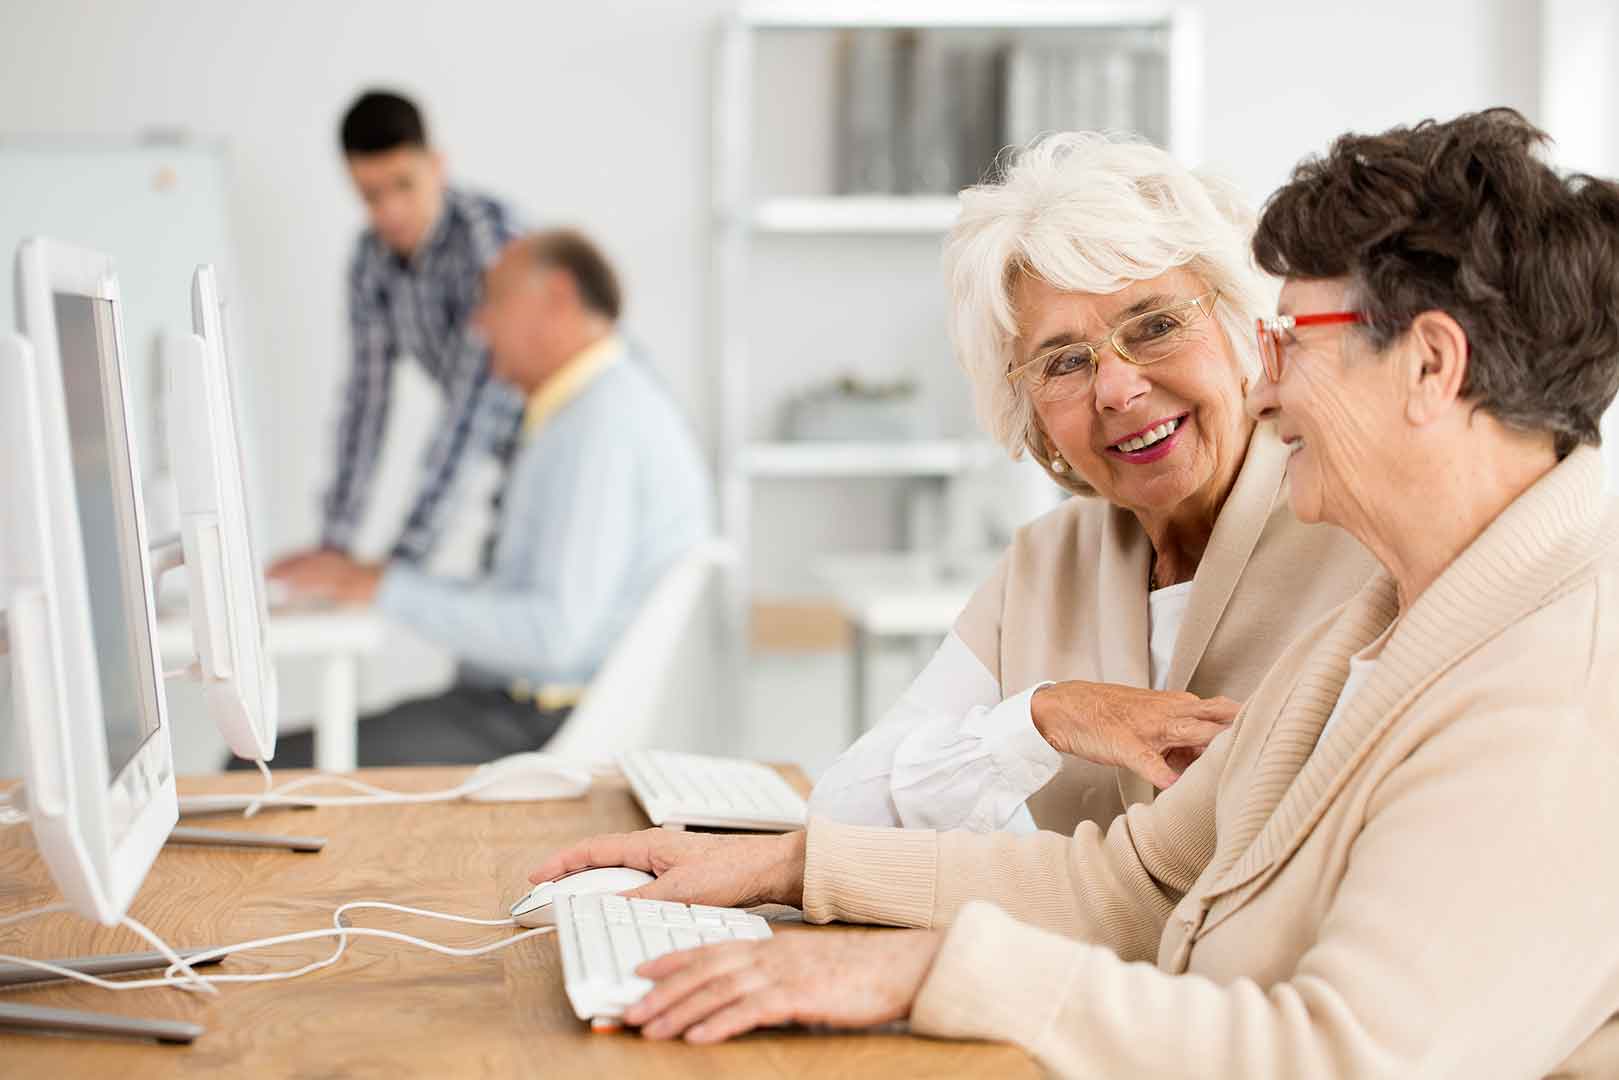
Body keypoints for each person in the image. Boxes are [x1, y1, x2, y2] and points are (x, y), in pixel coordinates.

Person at [531, 110, 1619, 1075]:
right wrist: (792, 869)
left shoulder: (1564, 687)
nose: (1266, 374)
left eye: (1293, 340)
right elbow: (1132, 884)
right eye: (1059, 361)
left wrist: (924, 980)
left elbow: (1336, 1055)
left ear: (1430, 365)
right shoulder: (1378, 624)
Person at [810, 133, 1375, 836]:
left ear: (1240, 327)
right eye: (1063, 363)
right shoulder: (1050, 560)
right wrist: (1046, 715)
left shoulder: (1355, 524)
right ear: (1034, 418)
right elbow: (844, 807)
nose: (1114, 387)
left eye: (1157, 325)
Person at [250, 229, 712, 766]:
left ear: (558, 298)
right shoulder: (591, 412)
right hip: (513, 710)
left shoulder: (601, 426)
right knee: (266, 759)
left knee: (253, 770)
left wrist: (384, 589)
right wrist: (376, 581)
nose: (478, 323)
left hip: (532, 728)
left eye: (493, 300)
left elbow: (551, 637)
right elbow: (528, 597)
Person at [272, 89, 524, 585]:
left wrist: (400, 566)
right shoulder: (370, 262)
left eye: (403, 185)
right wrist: (334, 545)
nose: (390, 211)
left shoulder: (488, 241)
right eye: (370, 195)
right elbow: (365, 406)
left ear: (437, 165)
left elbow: (472, 409)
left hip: (557, 452)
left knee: (508, 636)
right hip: (507, 462)